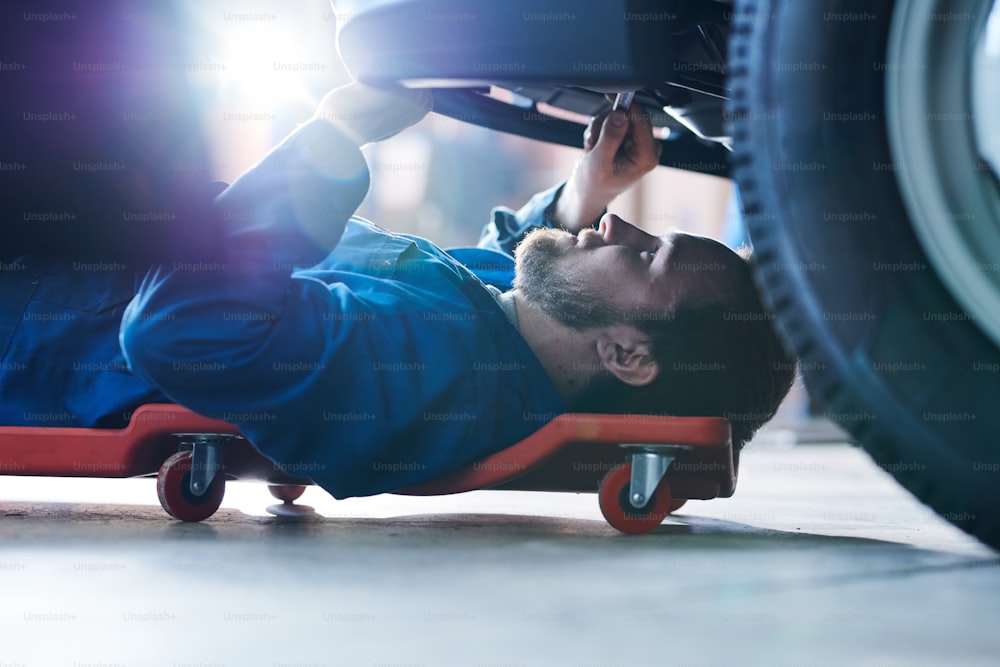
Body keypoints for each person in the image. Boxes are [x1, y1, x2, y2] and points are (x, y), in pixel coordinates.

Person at [1, 78, 794, 498]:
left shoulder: (426, 375)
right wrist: (578, 200)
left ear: (624, 353)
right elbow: (487, 274)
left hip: (38, 315)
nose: (622, 227)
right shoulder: (507, 346)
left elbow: (179, 328)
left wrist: (334, 137)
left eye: (646, 256)